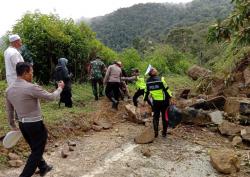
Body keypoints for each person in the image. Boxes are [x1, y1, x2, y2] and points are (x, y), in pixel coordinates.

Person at [6, 62, 65, 177]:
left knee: (35, 148)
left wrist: (13, 125)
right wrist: (60, 88)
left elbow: (10, 111)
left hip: (23, 125)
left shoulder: (9, 90)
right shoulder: (31, 87)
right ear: (25, 73)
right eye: (31, 72)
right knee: (37, 152)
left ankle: (43, 167)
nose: (32, 75)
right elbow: (51, 97)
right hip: (35, 125)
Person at [144, 67, 173, 138]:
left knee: (155, 117)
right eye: (154, 69)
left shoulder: (147, 82)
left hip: (155, 103)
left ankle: (156, 133)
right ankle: (164, 133)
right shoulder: (161, 80)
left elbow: (146, 92)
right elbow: (167, 90)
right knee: (165, 117)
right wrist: (171, 98)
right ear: (152, 72)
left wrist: (144, 100)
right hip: (164, 102)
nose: (156, 69)